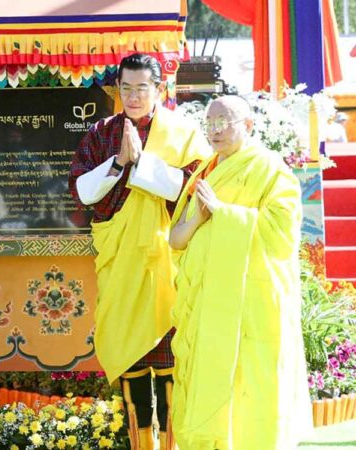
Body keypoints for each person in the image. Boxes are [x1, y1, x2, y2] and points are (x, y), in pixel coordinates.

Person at [68, 53, 211, 450]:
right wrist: (118, 161)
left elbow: (193, 187)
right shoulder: (101, 133)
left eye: (141, 88)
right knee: (129, 356)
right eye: (125, 88)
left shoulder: (182, 133)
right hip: (121, 264)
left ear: (160, 90)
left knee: (168, 362)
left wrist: (142, 163)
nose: (132, 97)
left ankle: (171, 446)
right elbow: (80, 191)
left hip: (167, 261)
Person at [169, 96, 311, 449]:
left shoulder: (270, 169)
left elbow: (282, 233)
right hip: (207, 302)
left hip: (251, 303)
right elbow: (178, 236)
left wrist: (223, 212)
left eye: (224, 122)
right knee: (209, 378)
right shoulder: (206, 170)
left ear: (248, 125)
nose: (215, 130)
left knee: (252, 381)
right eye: (210, 122)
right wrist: (203, 216)